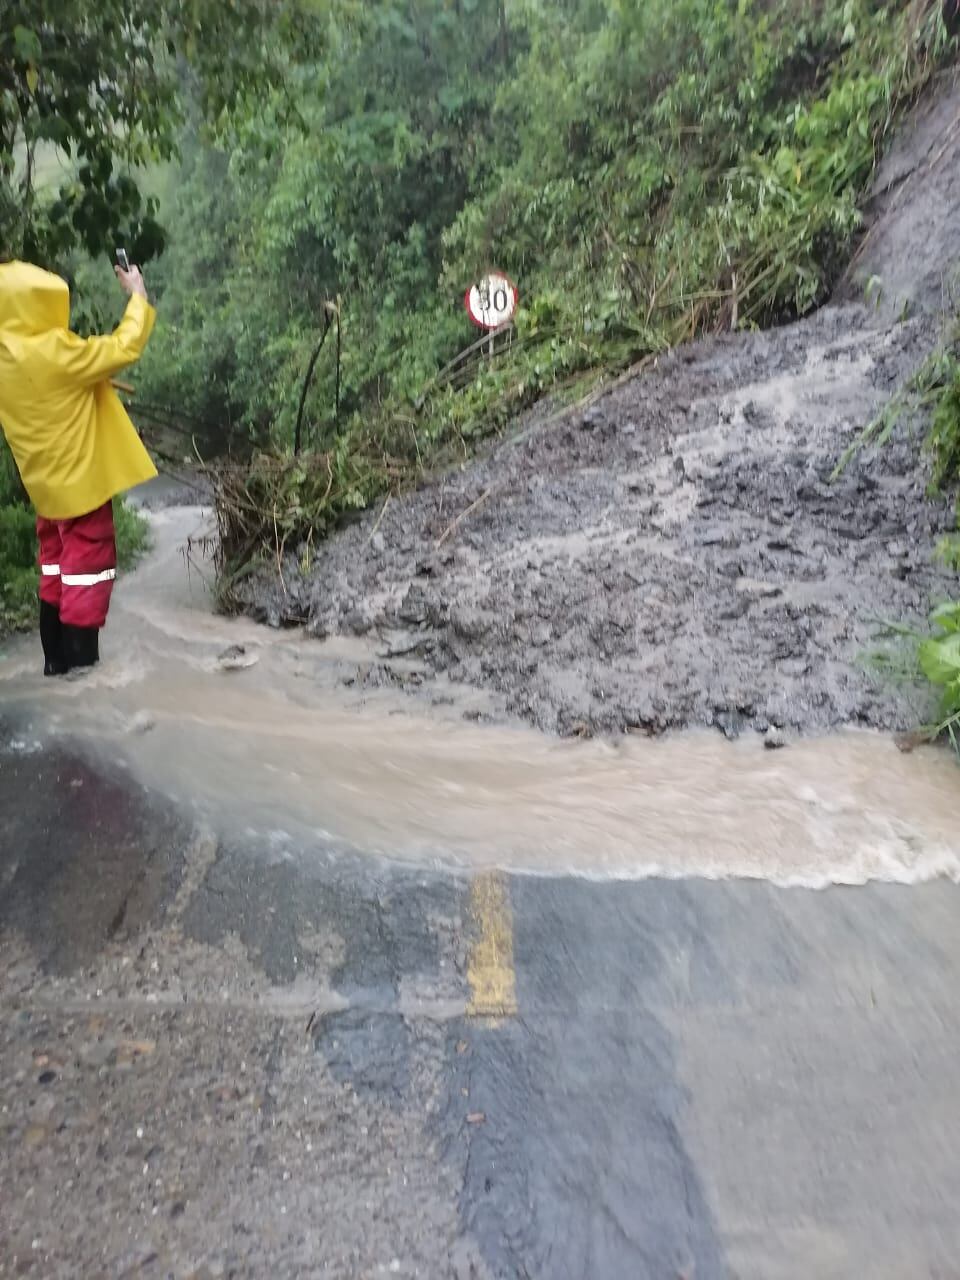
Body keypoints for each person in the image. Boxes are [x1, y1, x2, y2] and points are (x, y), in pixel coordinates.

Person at [0, 259, 157, 674]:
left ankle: (54, 669)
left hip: (47, 495)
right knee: (86, 580)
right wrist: (137, 294)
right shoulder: (57, 352)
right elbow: (125, 346)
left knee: (54, 576)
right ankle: (84, 684)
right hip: (83, 491)